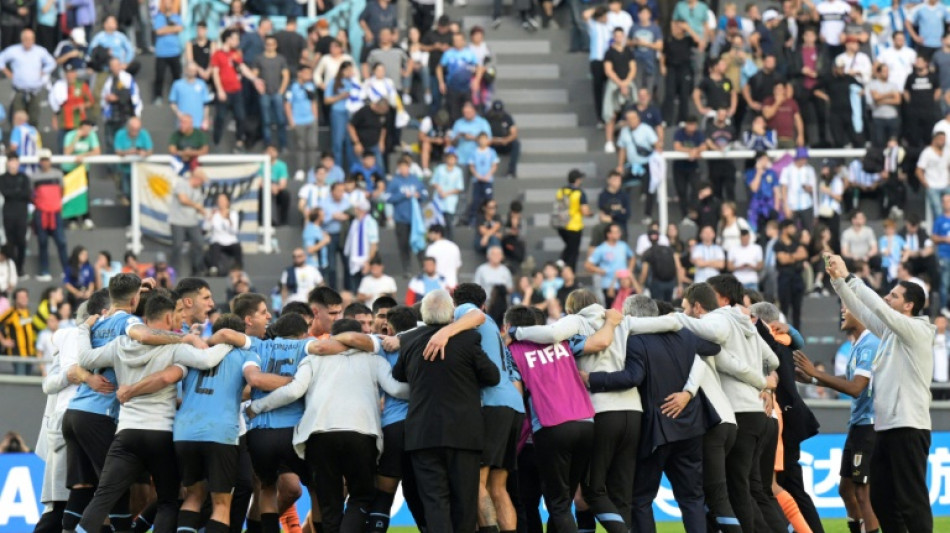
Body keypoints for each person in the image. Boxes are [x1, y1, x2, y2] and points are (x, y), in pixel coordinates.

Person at [72, 294, 243, 533]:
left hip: (127, 434)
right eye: (176, 315)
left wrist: (82, 330)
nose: (179, 321)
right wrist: (230, 341)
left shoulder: (120, 344)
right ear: (167, 316)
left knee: (103, 498)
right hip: (160, 435)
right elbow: (206, 360)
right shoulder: (174, 348)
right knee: (167, 502)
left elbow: (85, 358)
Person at [247, 318, 408, 533]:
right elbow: (396, 390)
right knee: (360, 497)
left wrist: (257, 406)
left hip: (319, 436)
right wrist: (428, 390)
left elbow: (294, 391)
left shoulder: (313, 359)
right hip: (361, 434)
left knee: (329, 504)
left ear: (332, 337)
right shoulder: (374, 360)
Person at [825, 253, 934, 533]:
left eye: (894, 296)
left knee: (912, 501)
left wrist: (850, 277)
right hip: (885, 427)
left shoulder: (918, 330)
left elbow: (878, 309)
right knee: (881, 500)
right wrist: (838, 283)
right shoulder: (889, 333)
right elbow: (862, 311)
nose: (887, 298)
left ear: (909, 305)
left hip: (909, 426)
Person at [673, 275, 780, 533]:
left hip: (738, 411)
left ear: (719, 297)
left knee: (736, 491)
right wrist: (765, 383)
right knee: (750, 488)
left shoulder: (716, 320)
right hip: (759, 412)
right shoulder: (746, 323)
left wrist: (757, 379)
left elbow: (716, 355)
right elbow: (773, 360)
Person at [392, 289, 500, 532]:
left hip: (423, 434)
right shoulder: (467, 339)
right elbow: (492, 376)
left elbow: (398, 374)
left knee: (434, 502)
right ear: (451, 313)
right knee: (464, 502)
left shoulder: (409, 341)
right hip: (463, 434)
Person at [619, 295, 721, 533]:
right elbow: (713, 346)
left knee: (641, 499)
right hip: (690, 427)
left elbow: (634, 378)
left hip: (656, 431)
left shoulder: (633, 341)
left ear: (630, 316)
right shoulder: (684, 335)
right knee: (692, 499)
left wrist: (593, 379)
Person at [794, 304, 880, 533]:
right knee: (846, 490)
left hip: (870, 425)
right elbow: (850, 378)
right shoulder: (857, 344)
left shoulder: (871, 344)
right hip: (858, 424)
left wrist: (816, 373)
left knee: (862, 491)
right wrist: (813, 380)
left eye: (847, 308)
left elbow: (856, 388)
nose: (842, 311)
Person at [212, 29, 260, 151]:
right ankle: (216, 142)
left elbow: (243, 68)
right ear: (228, 39)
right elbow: (215, 73)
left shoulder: (235, 54)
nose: (237, 41)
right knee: (221, 117)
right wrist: (220, 90)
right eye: (235, 38)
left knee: (241, 116)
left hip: (237, 90)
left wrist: (255, 79)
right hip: (224, 90)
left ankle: (239, 142)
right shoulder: (218, 54)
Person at [0, 28, 57, 126]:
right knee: (18, 119)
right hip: (19, 90)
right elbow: (1, 58)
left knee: (33, 120)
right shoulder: (14, 50)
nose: (28, 41)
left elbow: (52, 63)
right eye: (26, 39)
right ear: (22, 39)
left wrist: (44, 71)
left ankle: (32, 139)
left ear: (34, 40)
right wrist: (7, 72)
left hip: (35, 91)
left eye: (30, 39)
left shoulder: (40, 51)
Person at [31, 150, 69, 282]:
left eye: (46, 159)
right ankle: (44, 271)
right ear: (39, 161)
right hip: (41, 213)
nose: (44, 162)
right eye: (42, 159)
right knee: (42, 242)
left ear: (50, 160)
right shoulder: (34, 177)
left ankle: (67, 270)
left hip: (55, 213)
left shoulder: (58, 175)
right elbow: (32, 195)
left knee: (61, 242)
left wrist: (54, 205)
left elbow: (62, 191)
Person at [254, 35, 291, 151]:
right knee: (266, 121)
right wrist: (259, 88)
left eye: (272, 44)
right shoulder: (259, 59)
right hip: (264, 94)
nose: (270, 47)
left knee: (281, 120)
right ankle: (268, 146)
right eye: (268, 44)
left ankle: (283, 145)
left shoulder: (281, 59)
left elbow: (286, 76)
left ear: (276, 45)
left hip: (277, 93)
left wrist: (281, 91)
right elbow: (254, 75)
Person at [585, 223, 637, 304]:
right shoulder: (601, 249)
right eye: (616, 232)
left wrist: (630, 270)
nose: (619, 234)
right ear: (609, 234)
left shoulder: (623, 245)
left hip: (624, 284)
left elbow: (632, 258)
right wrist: (600, 270)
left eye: (619, 232)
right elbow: (588, 265)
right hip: (609, 284)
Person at [171, 169, 209, 276]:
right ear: (196, 179)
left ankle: (196, 269)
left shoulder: (198, 191)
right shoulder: (182, 184)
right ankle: (174, 270)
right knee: (178, 245)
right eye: (201, 181)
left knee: (199, 243)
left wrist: (202, 211)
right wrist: (196, 206)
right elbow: (183, 199)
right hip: (177, 221)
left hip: (192, 222)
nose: (201, 184)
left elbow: (199, 206)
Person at [0, 152, 32, 275]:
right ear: (7, 162)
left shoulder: (24, 178)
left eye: (15, 161)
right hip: (8, 213)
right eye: (11, 161)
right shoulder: (2, 178)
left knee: (21, 241)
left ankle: (20, 267)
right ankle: (12, 268)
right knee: (10, 242)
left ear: (18, 162)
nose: (13, 164)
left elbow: (27, 194)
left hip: (21, 213)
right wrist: (17, 192)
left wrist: (14, 193)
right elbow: (5, 193)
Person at [285, 65, 319, 181]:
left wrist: (315, 118)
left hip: (310, 120)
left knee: (312, 145)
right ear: (300, 73)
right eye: (306, 73)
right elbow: (288, 104)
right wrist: (291, 121)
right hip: (298, 121)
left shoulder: (311, 86)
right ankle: (300, 169)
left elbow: (313, 102)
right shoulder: (292, 87)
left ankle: (312, 170)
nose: (309, 76)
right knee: (300, 146)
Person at [555, 169, 591, 272]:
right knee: (573, 252)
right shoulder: (580, 193)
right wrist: (590, 214)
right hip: (574, 226)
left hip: (561, 225)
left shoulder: (561, 191)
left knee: (570, 247)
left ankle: (561, 263)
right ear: (577, 180)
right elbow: (585, 211)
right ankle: (568, 270)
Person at [774, 220, 808, 330]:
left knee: (797, 309)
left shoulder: (797, 243)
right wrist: (795, 256)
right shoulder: (778, 244)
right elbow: (782, 260)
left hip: (797, 279)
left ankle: (797, 334)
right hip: (784, 279)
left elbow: (804, 254)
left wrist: (790, 257)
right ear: (784, 229)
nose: (794, 230)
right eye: (791, 227)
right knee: (784, 308)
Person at [113, 117, 153, 203]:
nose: (135, 132)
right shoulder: (120, 134)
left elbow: (150, 150)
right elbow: (117, 151)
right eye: (133, 129)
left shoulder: (144, 133)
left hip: (140, 170)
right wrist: (128, 152)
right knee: (126, 194)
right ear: (128, 127)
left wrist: (144, 153)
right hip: (124, 169)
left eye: (137, 129)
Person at [151, 0, 183, 104]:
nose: (168, 4)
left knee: (177, 76)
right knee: (159, 76)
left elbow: (180, 28)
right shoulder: (159, 17)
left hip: (175, 51)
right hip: (162, 53)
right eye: (166, 2)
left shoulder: (176, 16)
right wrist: (172, 28)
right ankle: (158, 96)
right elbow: (158, 31)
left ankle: (176, 97)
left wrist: (166, 29)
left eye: (170, 2)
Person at [204, 193, 242, 276]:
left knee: (237, 247)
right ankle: (214, 268)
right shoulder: (214, 213)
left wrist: (229, 220)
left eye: (223, 200)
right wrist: (210, 217)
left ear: (228, 202)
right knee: (215, 245)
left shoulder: (233, 214)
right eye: (219, 200)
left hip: (230, 241)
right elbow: (205, 229)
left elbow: (234, 231)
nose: (221, 202)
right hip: (217, 240)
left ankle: (239, 268)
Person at [0, 288, 36, 375]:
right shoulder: (11, 312)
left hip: (30, 353)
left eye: (26, 296)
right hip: (18, 353)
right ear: (15, 299)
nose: (24, 299)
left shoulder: (28, 311)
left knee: (30, 380)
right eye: (21, 297)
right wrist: (3, 341)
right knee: (21, 380)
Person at [780, 147, 816, 230]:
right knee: (792, 229)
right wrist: (785, 205)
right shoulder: (787, 169)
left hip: (806, 204)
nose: (805, 161)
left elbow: (812, 188)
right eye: (803, 158)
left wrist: (807, 188)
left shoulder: (810, 170)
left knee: (808, 229)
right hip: (792, 205)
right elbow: (784, 188)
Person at [169, 62, 213, 131]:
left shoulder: (202, 84)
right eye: (190, 70)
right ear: (185, 70)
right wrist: (179, 114)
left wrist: (205, 118)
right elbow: (172, 103)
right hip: (183, 123)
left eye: (194, 70)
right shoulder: (177, 84)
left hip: (198, 122)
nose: (192, 72)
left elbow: (206, 104)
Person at [485, 100, 520, 179]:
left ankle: (511, 171)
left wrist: (506, 140)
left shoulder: (507, 117)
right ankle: (485, 171)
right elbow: (482, 133)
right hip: (491, 143)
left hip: (504, 143)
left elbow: (514, 133)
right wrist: (492, 140)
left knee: (516, 144)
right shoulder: (487, 117)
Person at [425, 224, 462, 290]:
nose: (429, 235)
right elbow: (457, 267)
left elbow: (429, 267)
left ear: (438, 233)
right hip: (452, 284)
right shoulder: (454, 246)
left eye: (431, 233)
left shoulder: (431, 248)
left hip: (437, 286)